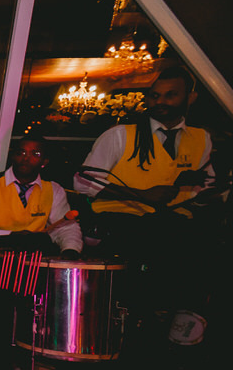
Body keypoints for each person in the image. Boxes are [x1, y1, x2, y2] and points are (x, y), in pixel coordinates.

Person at [73, 66, 217, 313]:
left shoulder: (201, 138)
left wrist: (205, 193)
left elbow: (206, 183)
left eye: (170, 95)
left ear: (190, 98)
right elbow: (83, 181)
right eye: (154, 95)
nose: (160, 101)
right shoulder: (120, 135)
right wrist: (140, 195)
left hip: (175, 222)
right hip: (121, 221)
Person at [0, 134, 83, 257]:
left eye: (35, 154)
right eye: (21, 153)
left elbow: (66, 228)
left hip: (34, 262)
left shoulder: (54, 190)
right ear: (13, 156)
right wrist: (10, 236)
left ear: (44, 162)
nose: (26, 159)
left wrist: (70, 250)